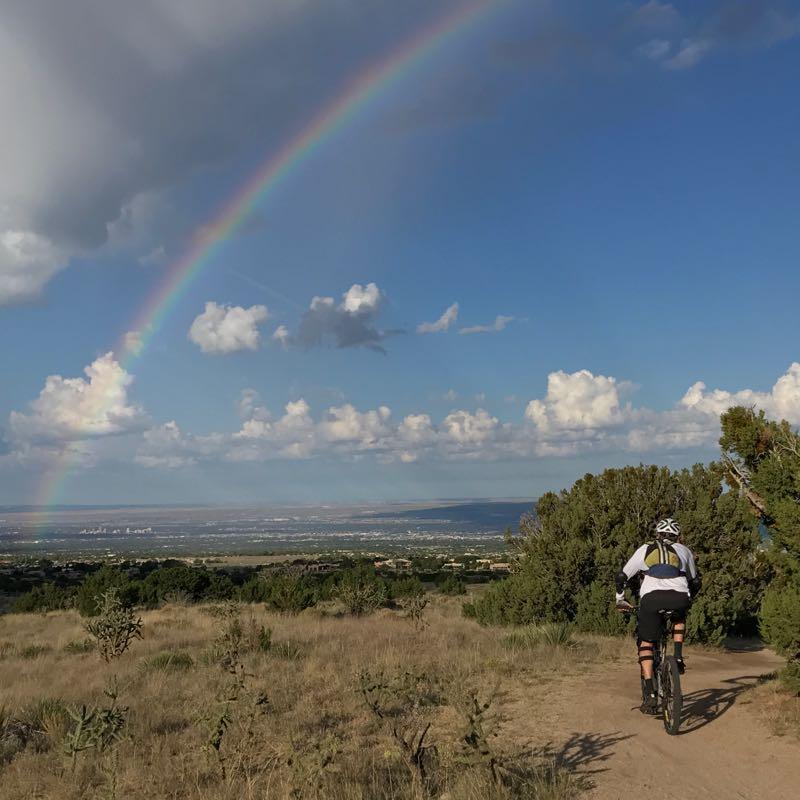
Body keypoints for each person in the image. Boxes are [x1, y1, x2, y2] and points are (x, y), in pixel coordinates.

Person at [614, 518, 701, 714]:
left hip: (651, 600)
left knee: (645, 642)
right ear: (678, 536)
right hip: (679, 597)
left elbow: (621, 577)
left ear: (658, 535)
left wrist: (620, 599)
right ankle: (678, 656)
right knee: (679, 615)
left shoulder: (645, 549)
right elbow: (695, 582)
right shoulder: (684, 550)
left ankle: (651, 693)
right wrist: (689, 600)